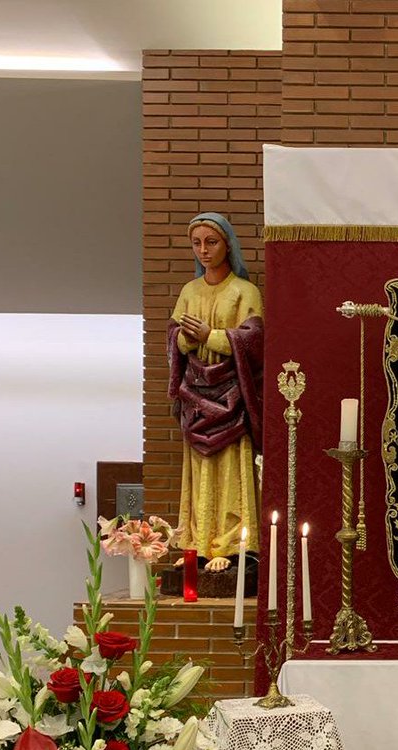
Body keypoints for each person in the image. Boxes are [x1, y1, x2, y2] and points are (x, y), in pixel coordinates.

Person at [168, 212, 263, 571]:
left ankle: (233, 543)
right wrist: (184, 338)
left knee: (230, 466)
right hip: (197, 395)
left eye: (211, 242)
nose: (204, 250)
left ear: (228, 245)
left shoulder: (244, 291)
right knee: (197, 469)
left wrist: (212, 336)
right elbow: (173, 337)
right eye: (197, 243)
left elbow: (254, 341)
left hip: (230, 397)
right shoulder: (189, 292)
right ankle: (196, 543)